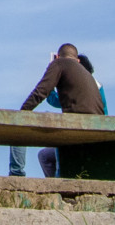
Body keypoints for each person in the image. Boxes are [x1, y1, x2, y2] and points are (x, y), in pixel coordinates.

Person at [16, 42, 105, 179]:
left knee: (19, 130)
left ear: (58, 56)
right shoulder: (89, 76)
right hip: (96, 132)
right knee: (45, 155)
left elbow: (40, 92)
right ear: (77, 60)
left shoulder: (59, 64)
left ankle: (18, 173)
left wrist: (22, 112)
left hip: (76, 129)